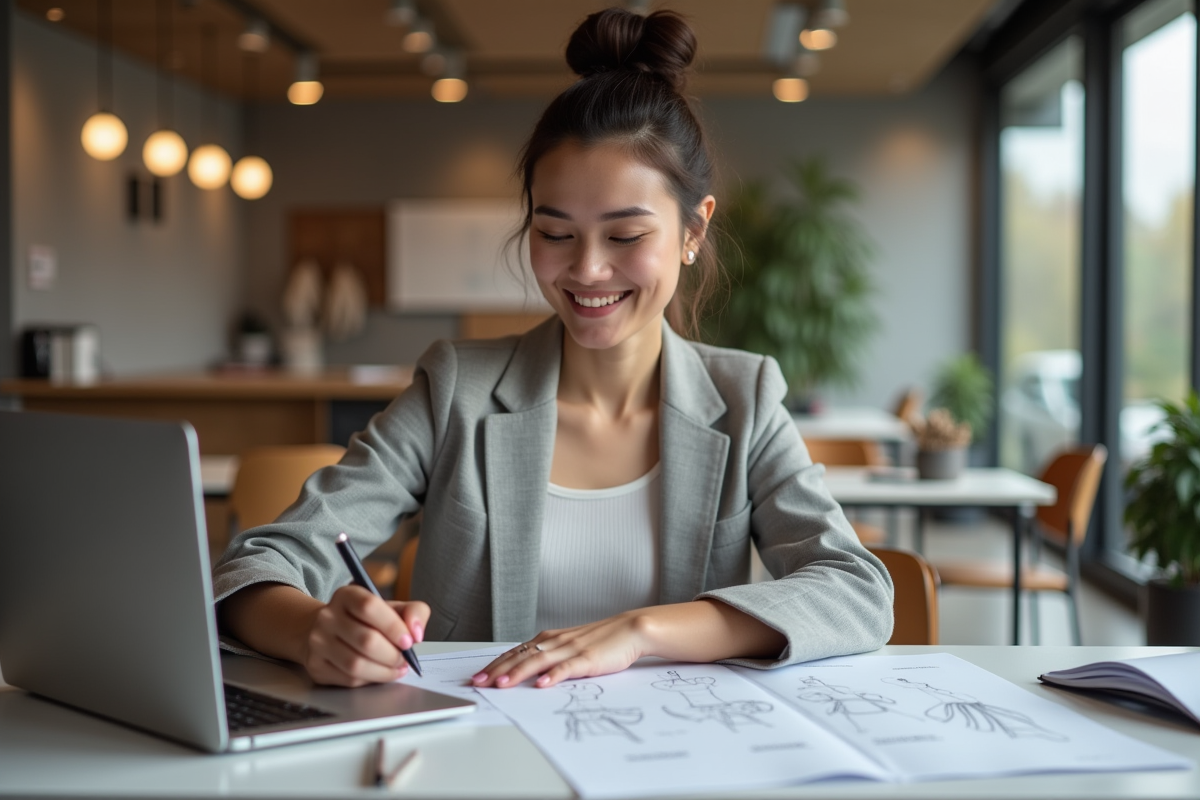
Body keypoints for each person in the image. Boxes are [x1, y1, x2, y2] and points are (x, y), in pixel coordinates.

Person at [213, 7, 893, 690]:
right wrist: (314, 632)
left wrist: (643, 629)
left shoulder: (743, 400)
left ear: (693, 231)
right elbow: (259, 564)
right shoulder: (458, 390)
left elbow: (855, 589)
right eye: (556, 233)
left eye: (625, 236)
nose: (587, 270)